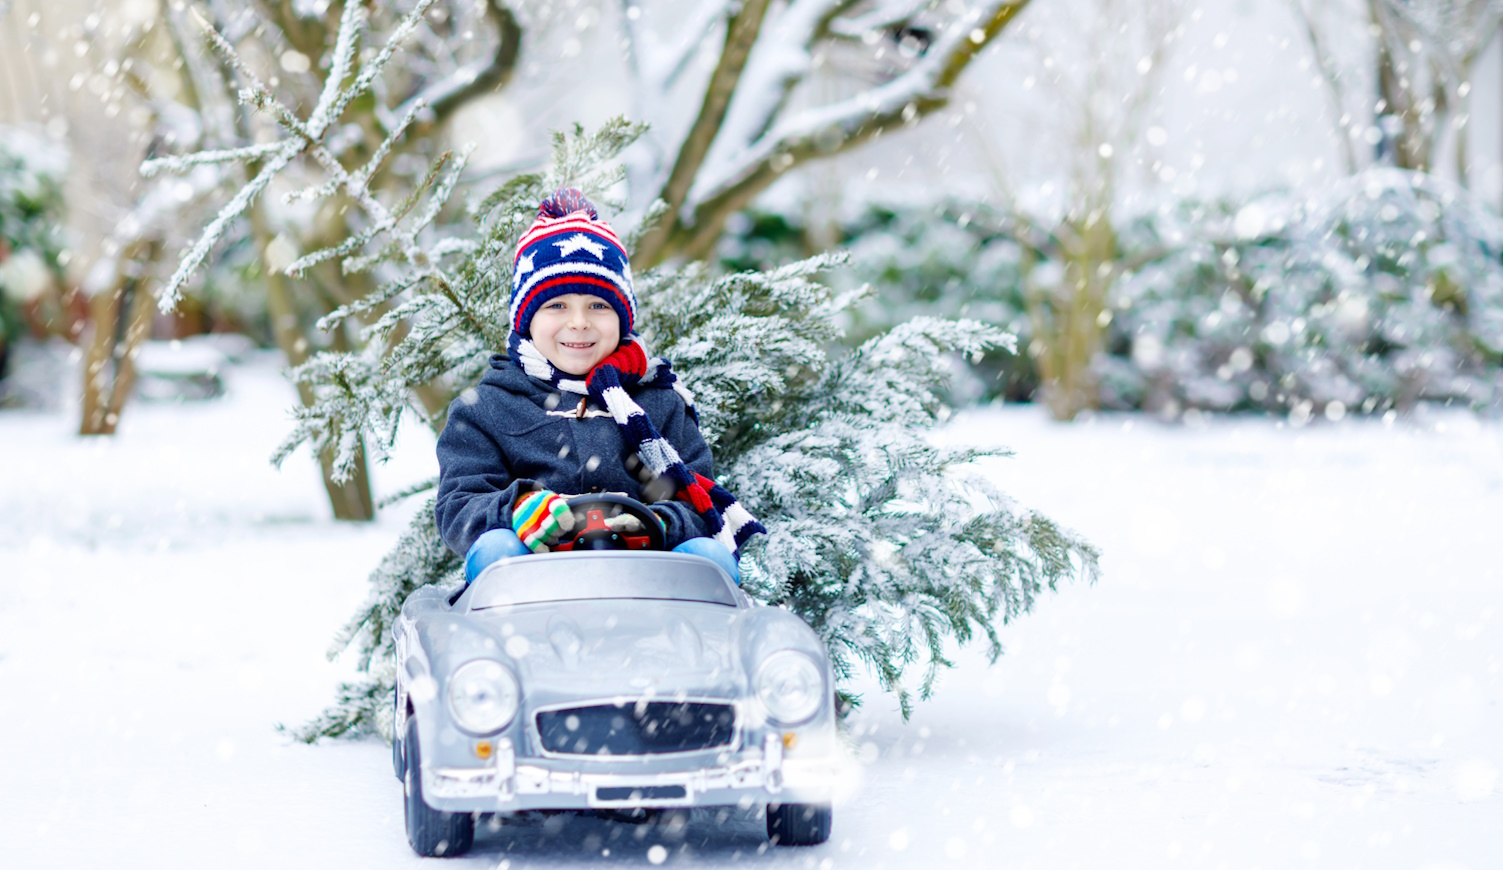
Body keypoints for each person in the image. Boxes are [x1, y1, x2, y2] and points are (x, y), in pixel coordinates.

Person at [434, 188, 763, 585]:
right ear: (526, 321)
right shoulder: (487, 408)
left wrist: (658, 523)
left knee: (708, 556)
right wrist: (516, 509)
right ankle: (500, 640)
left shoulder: (656, 404)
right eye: (556, 306)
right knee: (494, 551)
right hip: (535, 588)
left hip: (645, 581)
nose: (579, 322)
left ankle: (711, 639)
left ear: (623, 319)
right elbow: (459, 505)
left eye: (598, 305)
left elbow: (697, 503)